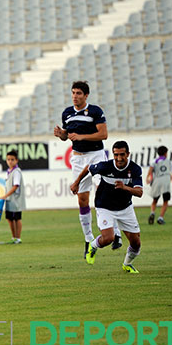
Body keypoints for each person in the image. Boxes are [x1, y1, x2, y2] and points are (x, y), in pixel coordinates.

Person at [53, 81, 122, 255]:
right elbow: (68, 136)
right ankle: (88, 238)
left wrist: (82, 136)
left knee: (105, 192)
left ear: (86, 96)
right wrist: (62, 134)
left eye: (78, 93)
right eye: (73, 93)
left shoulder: (95, 111)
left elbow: (103, 134)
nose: (75, 96)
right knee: (82, 200)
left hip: (96, 156)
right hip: (78, 158)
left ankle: (116, 233)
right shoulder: (67, 113)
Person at [71, 141, 143, 273]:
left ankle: (127, 264)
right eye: (116, 155)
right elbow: (88, 168)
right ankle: (92, 246)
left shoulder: (135, 169)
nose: (119, 158)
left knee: (136, 243)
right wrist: (76, 183)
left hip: (125, 208)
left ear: (128, 154)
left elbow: (139, 192)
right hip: (105, 206)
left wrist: (125, 187)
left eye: (122, 155)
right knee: (108, 238)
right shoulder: (106, 166)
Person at [0, 150, 25, 244]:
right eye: (8, 159)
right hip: (10, 200)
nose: (10, 161)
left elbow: (16, 185)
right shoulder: (9, 171)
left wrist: (5, 195)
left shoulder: (16, 172)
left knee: (17, 218)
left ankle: (18, 237)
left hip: (15, 199)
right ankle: (14, 237)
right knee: (10, 218)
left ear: (16, 160)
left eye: (12, 159)